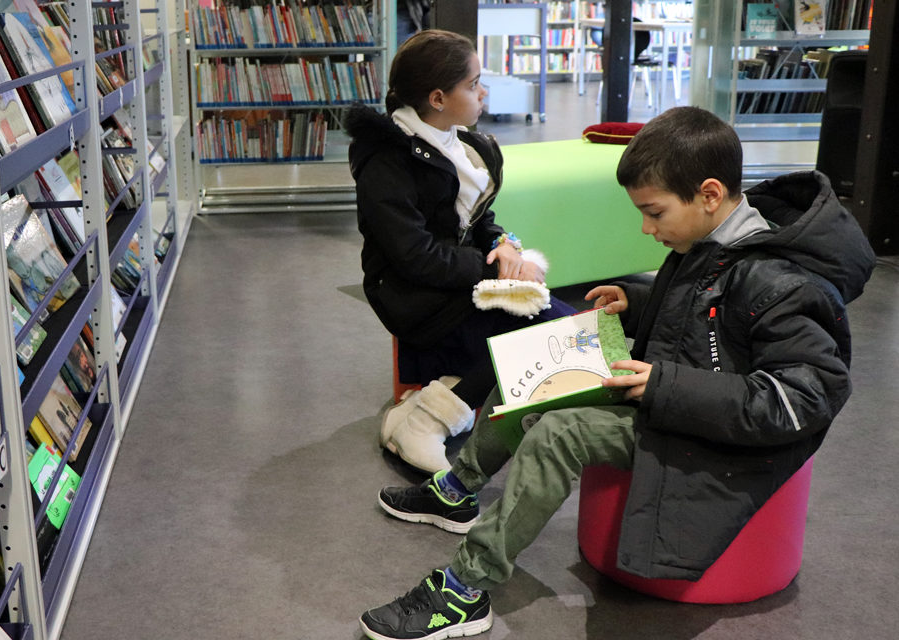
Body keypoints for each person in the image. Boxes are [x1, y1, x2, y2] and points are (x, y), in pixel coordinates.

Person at [357, 105, 875, 640]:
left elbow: (802, 399)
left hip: (716, 434)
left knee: (560, 432)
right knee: (535, 360)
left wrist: (666, 385)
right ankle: (457, 490)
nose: (647, 229)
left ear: (710, 194)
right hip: (677, 398)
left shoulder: (783, 283)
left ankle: (465, 588)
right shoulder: (716, 239)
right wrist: (640, 303)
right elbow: (713, 318)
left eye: (654, 212)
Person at [345, 30, 575, 474]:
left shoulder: (462, 144)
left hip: (458, 282)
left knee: (572, 333)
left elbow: (480, 221)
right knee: (562, 338)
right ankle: (425, 423)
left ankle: (432, 405)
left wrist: (505, 247)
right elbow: (415, 256)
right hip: (415, 297)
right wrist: (492, 272)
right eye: (473, 85)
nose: (483, 92)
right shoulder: (387, 160)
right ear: (437, 98)